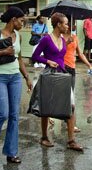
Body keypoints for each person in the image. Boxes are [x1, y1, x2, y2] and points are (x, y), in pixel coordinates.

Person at [0, 7, 32, 164]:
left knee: (14, 116)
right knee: (3, 113)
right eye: (21, 21)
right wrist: (2, 52)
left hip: (15, 77)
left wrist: (27, 77)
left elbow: (19, 58)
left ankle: (11, 153)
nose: (22, 23)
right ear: (13, 19)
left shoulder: (19, 36)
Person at [32, 12, 83, 151]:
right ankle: (44, 137)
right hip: (49, 75)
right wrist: (47, 61)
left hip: (63, 74)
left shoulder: (62, 39)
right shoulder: (46, 39)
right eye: (65, 23)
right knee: (46, 107)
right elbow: (35, 56)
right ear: (58, 24)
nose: (68, 26)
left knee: (71, 106)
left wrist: (67, 44)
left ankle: (71, 141)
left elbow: (60, 54)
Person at [63, 24, 92, 135]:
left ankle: (68, 122)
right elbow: (56, 53)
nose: (73, 26)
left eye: (71, 23)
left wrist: (89, 65)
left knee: (70, 98)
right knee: (64, 97)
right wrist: (65, 43)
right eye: (68, 23)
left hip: (72, 68)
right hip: (61, 68)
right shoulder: (59, 37)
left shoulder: (74, 37)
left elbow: (80, 53)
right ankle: (55, 118)